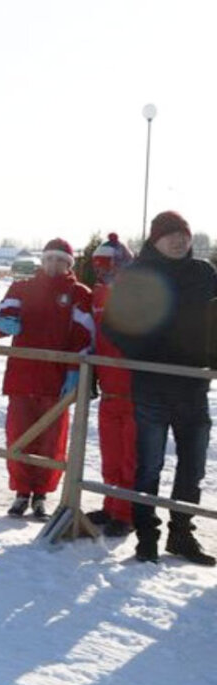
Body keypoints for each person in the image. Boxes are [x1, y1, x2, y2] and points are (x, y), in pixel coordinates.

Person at [103, 211, 217, 565]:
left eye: (182, 234)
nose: (179, 240)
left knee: (193, 467)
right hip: (152, 384)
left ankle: (181, 535)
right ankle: (147, 538)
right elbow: (113, 324)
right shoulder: (137, 275)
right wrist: (147, 351)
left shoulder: (204, 273)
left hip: (193, 385)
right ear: (155, 240)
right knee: (149, 465)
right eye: (170, 235)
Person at [0, 238, 93, 520]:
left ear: (68, 264)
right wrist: (2, 322)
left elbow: (85, 336)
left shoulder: (79, 294)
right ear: (42, 260)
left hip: (56, 382)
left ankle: (41, 495)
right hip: (22, 377)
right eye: (49, 259)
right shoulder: (21, 288)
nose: (53, 265)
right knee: (19, 436)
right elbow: (0, 316)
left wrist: (74, 368)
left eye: (61, 260)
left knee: (51, 441)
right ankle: (21, 492)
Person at [85, 237, 136, 537]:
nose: (106, 273)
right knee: (111, 454)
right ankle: (111, 504)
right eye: (100, 267)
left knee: (130, 456)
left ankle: (126, 513)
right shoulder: (97, 295)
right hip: (109, 390)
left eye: (112, 266)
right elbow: (91, 338)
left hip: (134, 392)